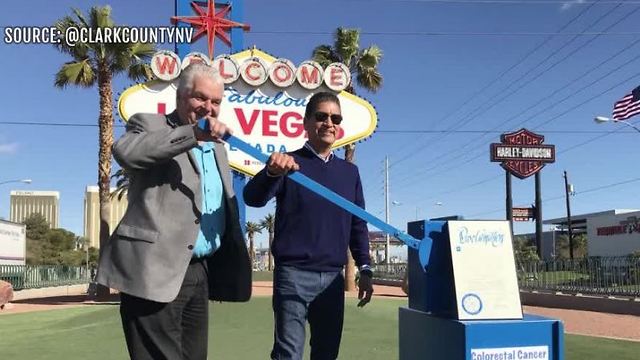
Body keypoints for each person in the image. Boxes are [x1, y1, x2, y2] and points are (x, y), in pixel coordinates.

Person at [96, 63, 251, 360]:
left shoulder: (219, 147)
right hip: (152, 270)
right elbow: (126, 152)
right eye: (200, 98)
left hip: (198, 271)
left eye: (216, 101)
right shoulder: (150, 124)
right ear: (181, 97)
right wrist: (193, 133)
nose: (209, 107)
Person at [243, 91, 374, 360]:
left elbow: (357, 223)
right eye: (321, 116)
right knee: (288, 354)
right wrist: (271, 172)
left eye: (335, 118)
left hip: (332, 280)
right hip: (293, 276)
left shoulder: (350, 173)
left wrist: (365, 267)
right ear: (305, 123)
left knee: (326, 354)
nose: (329, 123)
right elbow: (252, 198)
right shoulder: (288, 163)